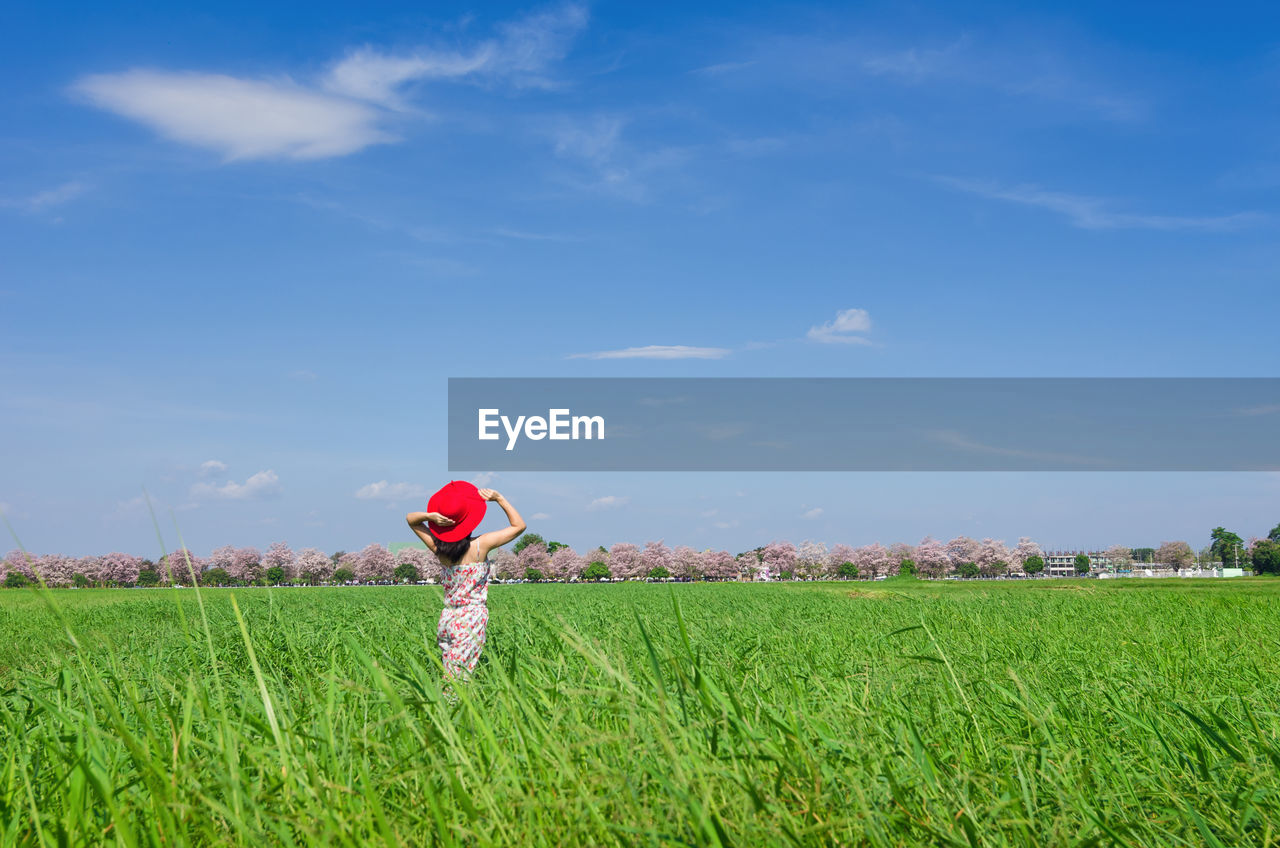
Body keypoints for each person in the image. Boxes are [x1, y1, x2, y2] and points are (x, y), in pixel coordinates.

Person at [406, 481, 525, 682]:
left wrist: (429, 516)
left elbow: (411, 520)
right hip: (471, 619)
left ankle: (443, 709)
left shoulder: (439, 550)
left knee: (451, 671)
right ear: (470, 520)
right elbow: (519, 526)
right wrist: (499, 498)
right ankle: (449, 711)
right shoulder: (480, 546)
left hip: (448, 618)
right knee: (456, 682)